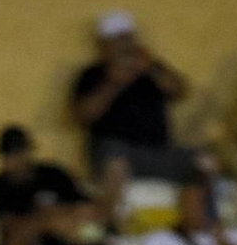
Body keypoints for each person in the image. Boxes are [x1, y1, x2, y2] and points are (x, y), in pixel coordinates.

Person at [70, 13, 192, 185]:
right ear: (104, 45)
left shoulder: (151, 69)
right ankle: (111, 212)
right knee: (114, 157)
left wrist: (150, 68)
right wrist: (113, 83)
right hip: (117, 153)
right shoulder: (92, 74)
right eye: (118, 40)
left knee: (201, 160)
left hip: (157, 152)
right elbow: (83, 116)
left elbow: (180, 91)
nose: (124, 45)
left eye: (128, 38)